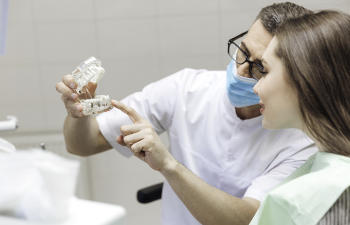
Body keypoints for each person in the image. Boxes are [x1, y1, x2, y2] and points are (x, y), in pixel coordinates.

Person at [55, 2, 317, 225]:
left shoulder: (302, 140)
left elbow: (247, 219)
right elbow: (83, 144)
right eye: (243, 52)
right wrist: (78, 113)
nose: (240, 72)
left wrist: (169, 166)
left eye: (260, 67)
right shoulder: (188, 89)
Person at [248, 10, 350, 224]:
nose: (256, 87)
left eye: (264, 71)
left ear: (304, 78)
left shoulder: (325, 197)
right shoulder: (325, 166)